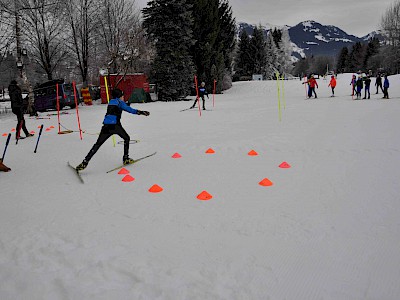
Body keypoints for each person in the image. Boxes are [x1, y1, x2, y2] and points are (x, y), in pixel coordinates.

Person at [75, 89, 150, 171]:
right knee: (126, 138)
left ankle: (85, 162)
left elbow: (118, 107)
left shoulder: (111, 101)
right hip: (115, 126)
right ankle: (126, 159)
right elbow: (130, 110)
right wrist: (141, 112)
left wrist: (125, 104)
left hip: (106, 126)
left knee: (97, 144)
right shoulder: (120, 102)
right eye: (122, 96)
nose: (123, 97)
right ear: (119, 96)